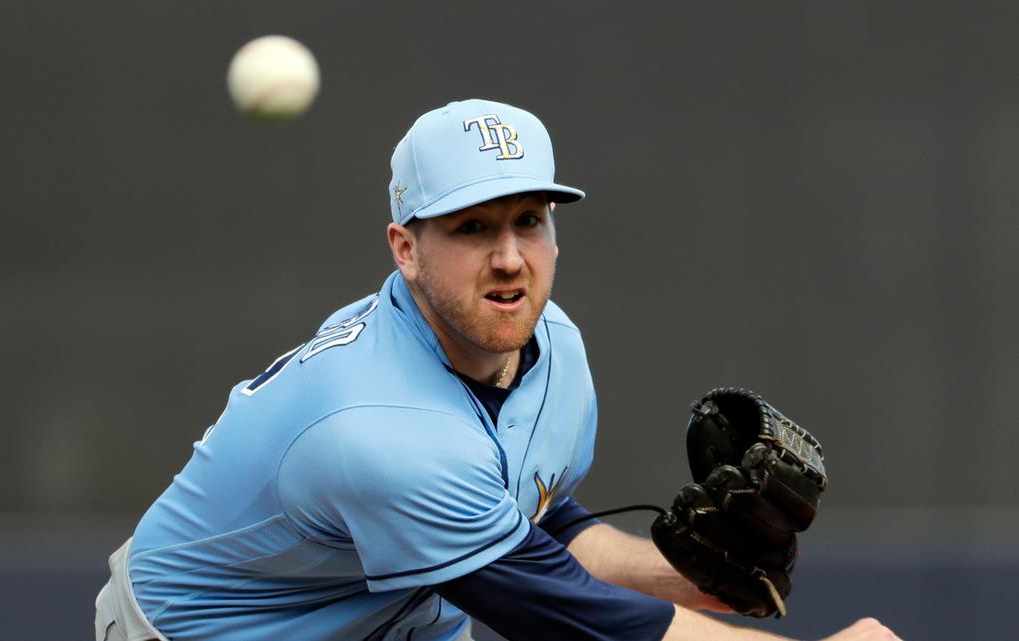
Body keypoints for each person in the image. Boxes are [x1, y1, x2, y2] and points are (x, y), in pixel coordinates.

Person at [94, 99, 902, 641]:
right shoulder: (377, 427)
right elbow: (569, 618)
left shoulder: (554, 350)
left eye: (529, 220)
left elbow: (533, 526)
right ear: (405, 249)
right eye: (473, 226)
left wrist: (689, 577)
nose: (511, 257)